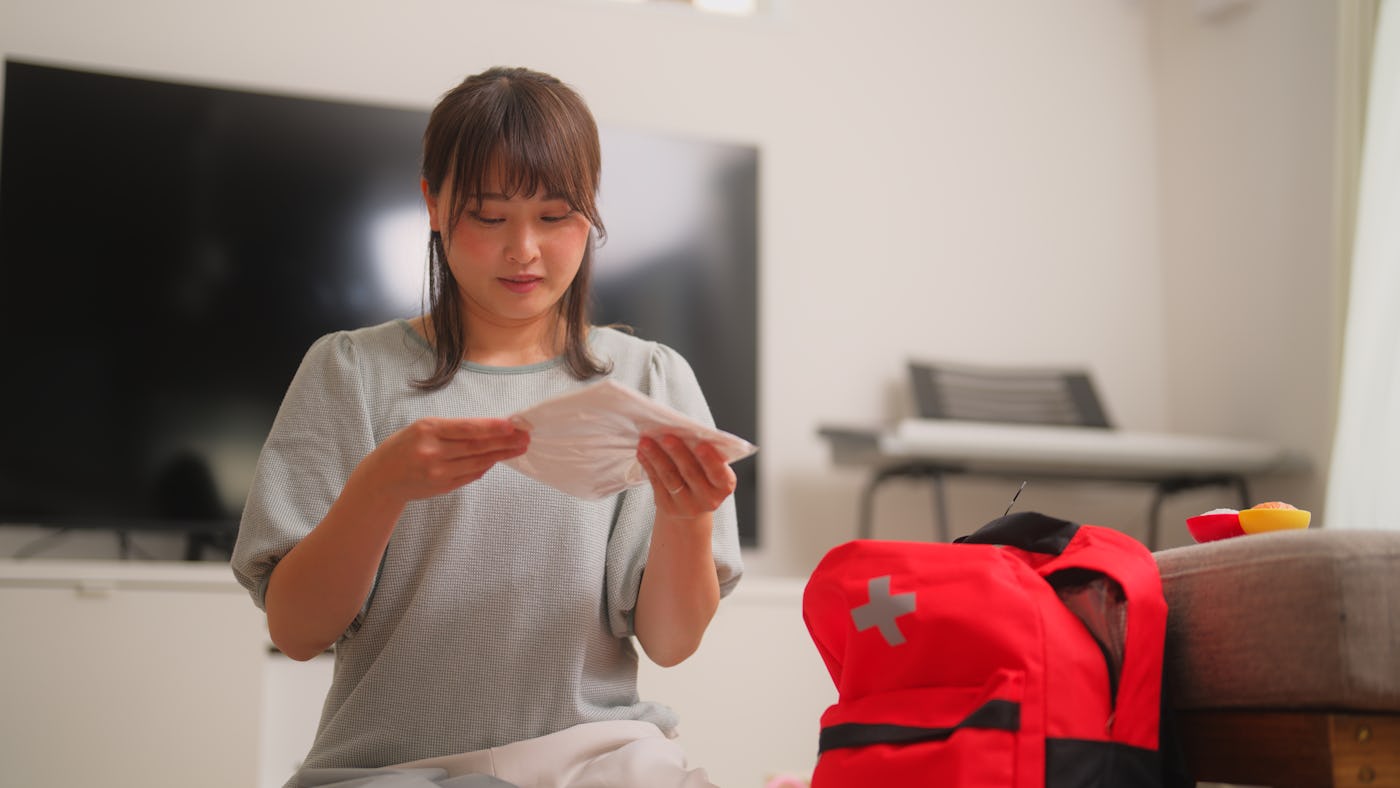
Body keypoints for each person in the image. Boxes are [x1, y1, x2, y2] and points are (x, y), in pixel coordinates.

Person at [231, 66, 743, 788]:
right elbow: (296, 629)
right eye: (489, 216)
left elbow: (671, 642)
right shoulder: (350, 372)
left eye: (556, 216)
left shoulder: (649, 381)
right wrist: (379, 488)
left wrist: (687, 519)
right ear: (433, 206)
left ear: (591, 211)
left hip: (593, 760)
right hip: (388, 767)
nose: (524, 250)